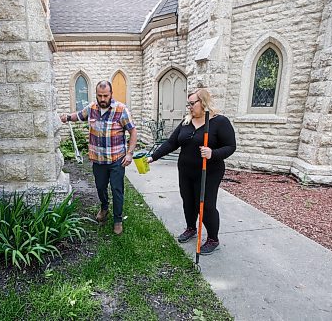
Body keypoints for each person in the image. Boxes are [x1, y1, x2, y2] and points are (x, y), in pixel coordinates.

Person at [147, 88, 236, 254]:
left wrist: (213, 153)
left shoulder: (219, 122)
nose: (189, 107)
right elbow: (172, 143)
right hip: (186, 170)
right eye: (188, 104)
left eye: (192, 103)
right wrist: (154, 156)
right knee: (188, 202)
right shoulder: (186, 122)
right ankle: (191, 228)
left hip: (209, 172)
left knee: (206, 205)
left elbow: (231, 146)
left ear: (203, 103)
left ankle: (213, 239)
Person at [60, 81, 137, 235]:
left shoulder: (121, 110)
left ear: (111, 94)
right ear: (96, 94)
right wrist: (67, 117)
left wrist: (129, 153)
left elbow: (133, 131)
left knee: (117, 190)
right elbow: (80, 115)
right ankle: (104, 208)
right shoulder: (92, 108)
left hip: (117, 160)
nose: (102, 99)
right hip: (98, 160)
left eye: (105, 96)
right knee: (100, 187)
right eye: (100, 95)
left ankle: (117, 220)